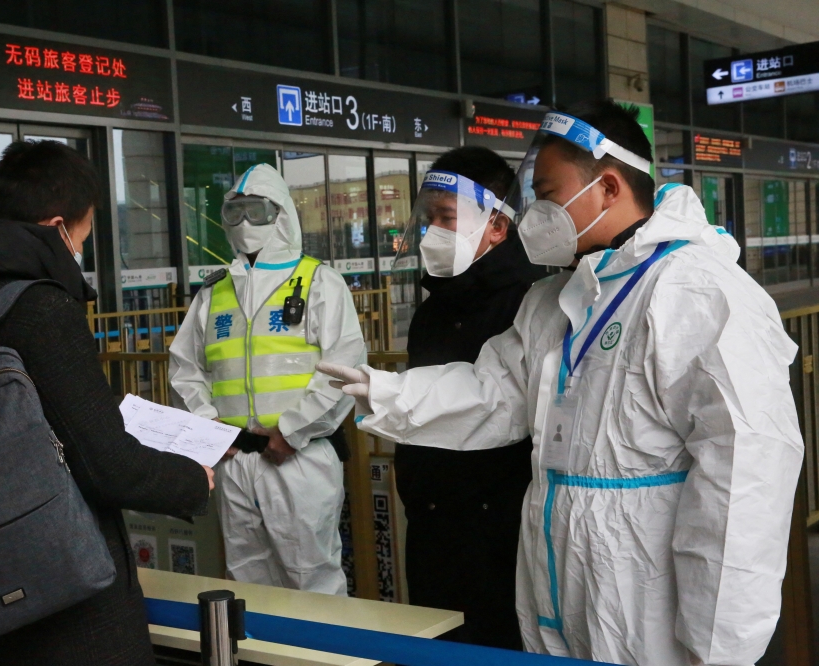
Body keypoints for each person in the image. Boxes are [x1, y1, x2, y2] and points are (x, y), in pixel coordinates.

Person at [320, 101, 804, 666]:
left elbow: (743, 480)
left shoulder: (697, 293)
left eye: (547, 195)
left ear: (608, 186)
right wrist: (389, 393)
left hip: (644, 589)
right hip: (556, 572)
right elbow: (494, 393)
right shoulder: (556, 298)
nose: (537, 215)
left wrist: (719, 645)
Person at [0, 140, 213, 666]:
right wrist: (192, 479)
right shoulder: (36, 308)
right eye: (83, 233)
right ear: (59, 227)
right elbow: (106, 465)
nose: (80, 248)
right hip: (56, 602)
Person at [169, 163, 364, 595]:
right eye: (233, 212)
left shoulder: (319, 281)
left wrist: (291, 431)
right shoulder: (214, 290)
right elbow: (185, 367)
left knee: (311, 576)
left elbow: (343, 366)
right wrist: (207, 425)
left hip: (300, 457)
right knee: (247, 578)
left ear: (282, 214)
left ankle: (322, 662)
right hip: (235, 458)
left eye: (255, 211)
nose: (243, 223)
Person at [396, 146, 544, 649]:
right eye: (428, 217)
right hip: (433, 525)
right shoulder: (432, 308)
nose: (432, 231)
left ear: (498, 226)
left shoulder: (530, 303)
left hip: (499, 537)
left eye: (447, 218)